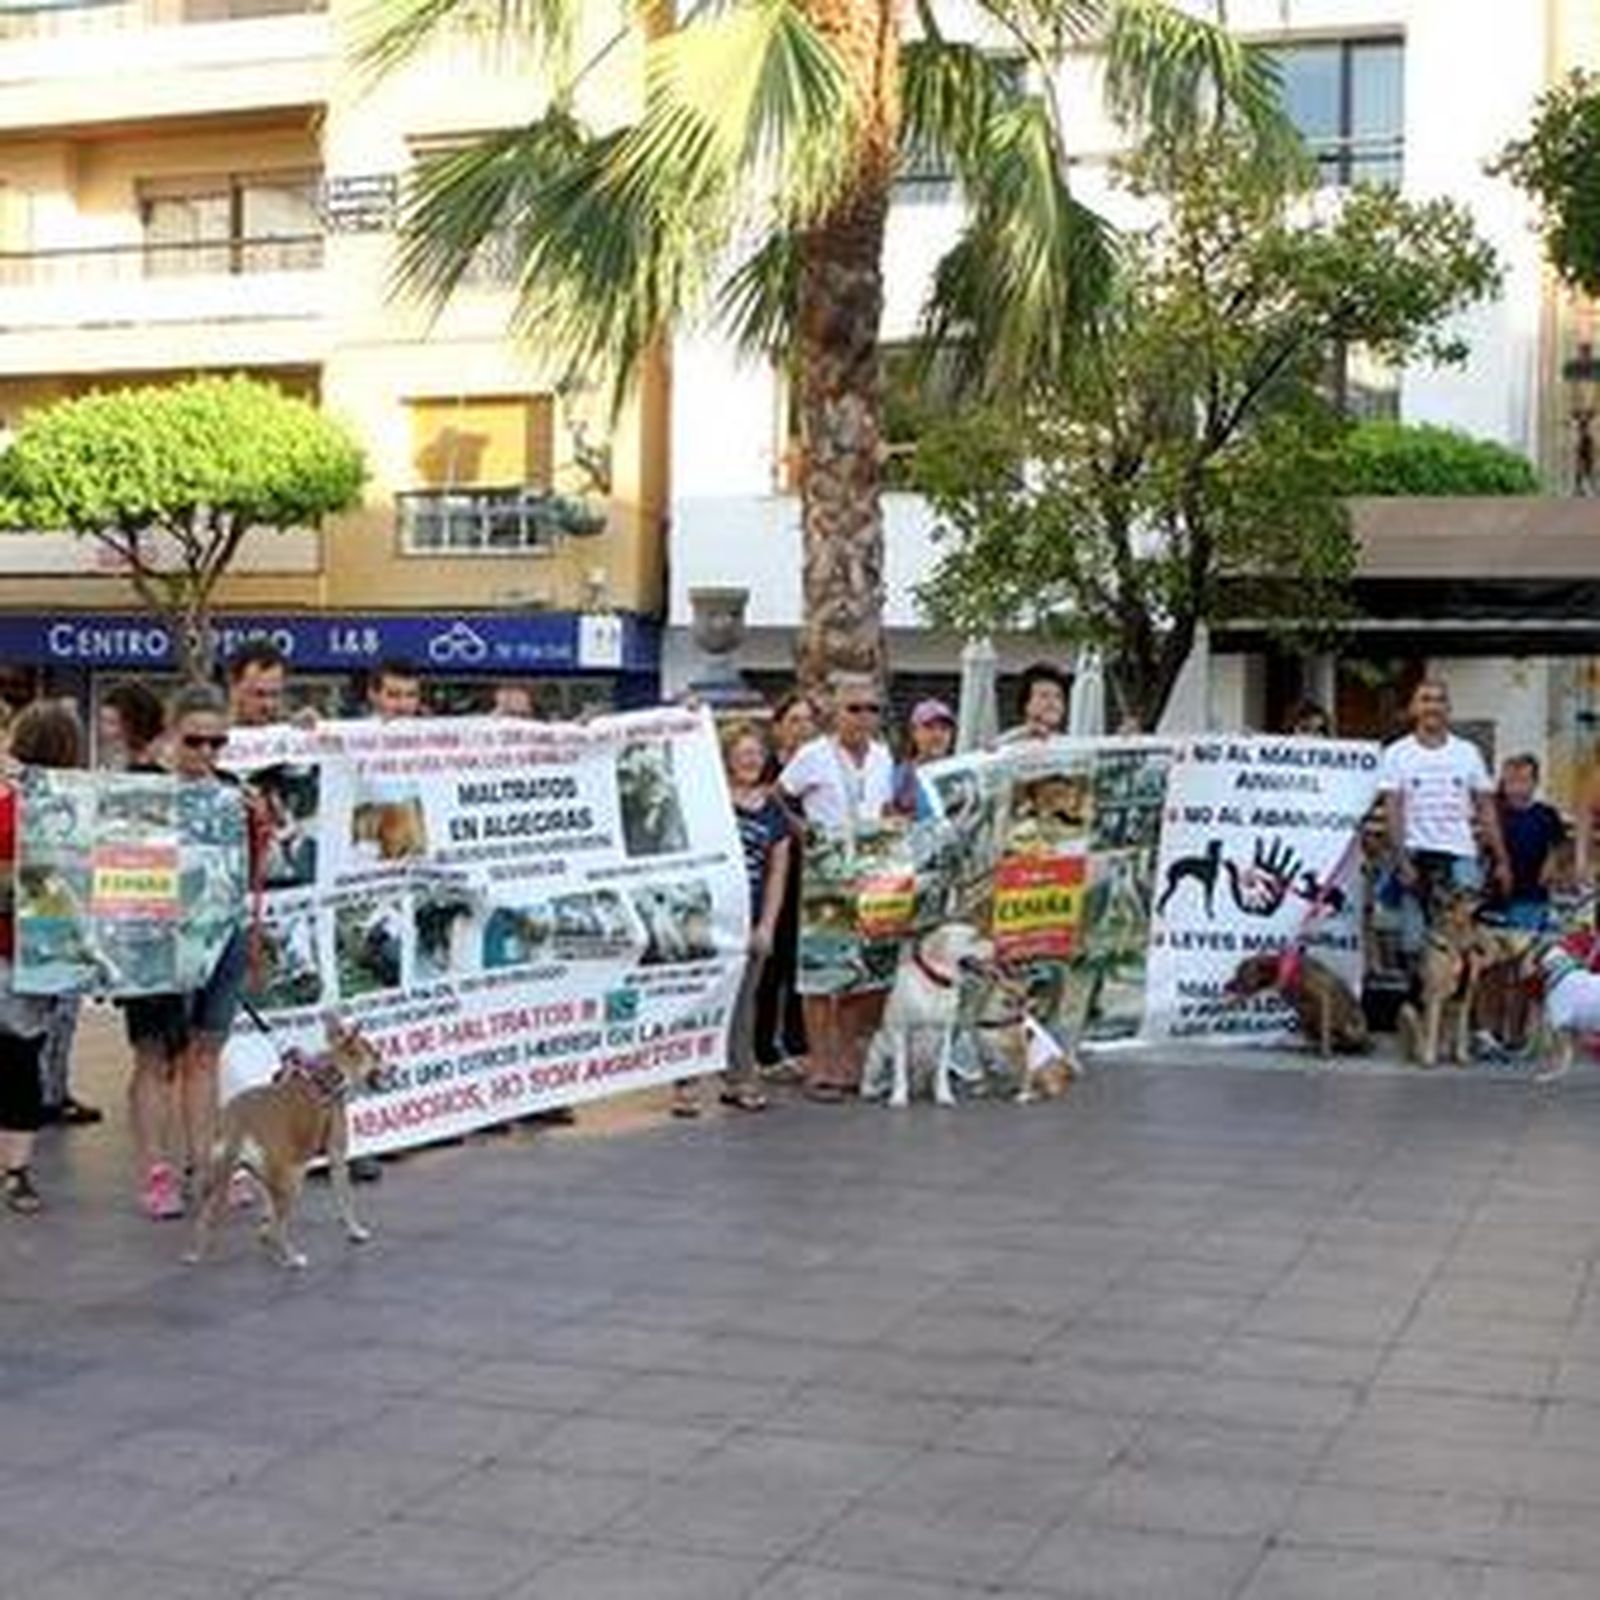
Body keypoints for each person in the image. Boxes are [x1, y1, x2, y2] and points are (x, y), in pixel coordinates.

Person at [123, 686, 253, 1219]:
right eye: (195, 741)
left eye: (217, 743)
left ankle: (205, 1165)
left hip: (222, 936)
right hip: (151, 939)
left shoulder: (231, 790)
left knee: (204, 1053)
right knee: (155, 1055)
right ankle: (156, 1170)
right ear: (170, 737)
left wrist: (255, 817)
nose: (206, 754)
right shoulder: (135, 788)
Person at [779, 672, 896, 1101]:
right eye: (854, 708)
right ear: (835, 712)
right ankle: (821, 1065)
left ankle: (846, 1061)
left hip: (873, 875)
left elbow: (885, 805)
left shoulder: (884, 756)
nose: (864, 717)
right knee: (820, 974)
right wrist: (803, 831)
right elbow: (779, 795)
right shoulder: (813, 754)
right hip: (825, 876)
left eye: (872, 709)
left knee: (859, 975)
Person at [674, 724, 788, 1117]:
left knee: (743, 1004)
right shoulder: (707, 799)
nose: (750, 760)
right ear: (726, 758)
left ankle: (739, 1077)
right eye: (742, 753)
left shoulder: (775, 810)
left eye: (756, 753)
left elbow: (778, 873)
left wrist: (767, 926)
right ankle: (685, 1081)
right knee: (695, 997)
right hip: (706, 917)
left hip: (750, 919)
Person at [1, 701, 86, 1214]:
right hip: (42, 950)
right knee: (22, 1060)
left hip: (17, 946)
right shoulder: (73, 808)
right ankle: (17, 1172)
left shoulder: (11, 801)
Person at [1379, 679, 1510, 969]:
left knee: (1465, 942)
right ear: (1414, 708)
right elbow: (1393, 810)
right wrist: (1402, 861)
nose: (1432, 706)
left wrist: (1501, 859)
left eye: (1439, 700)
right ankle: (1419, 1007)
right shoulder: (1397, 753)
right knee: (1414, 942)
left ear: (1448, 708)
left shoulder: (1468, 752)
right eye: (1425, 699)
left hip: (1460, 855)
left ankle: (1460, 1009)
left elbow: (1485, 808)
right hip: (1415, 853)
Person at [754, 692, 818, 1082]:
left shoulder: (822, 764)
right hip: (771, 877)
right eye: (793, 720)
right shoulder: (766, 769)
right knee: (770, 966)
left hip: (812, 879)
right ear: (778, 727)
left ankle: (797, 1044)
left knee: (801, 964)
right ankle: (762, 1049)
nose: (802, 728)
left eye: (808, 720)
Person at [891, 698, 955, 816]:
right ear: (914, 732)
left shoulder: (959, 775)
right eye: (929, 727)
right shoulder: (898, 777)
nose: (937, 735)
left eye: (944, 729)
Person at [998, 663, 1070, 745]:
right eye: (1044, 695)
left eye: (1058, 697)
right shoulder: (1008, 743)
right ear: (1026, 704)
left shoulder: (1071, 746)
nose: (1052, 702)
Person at [227, 639, 289, 728]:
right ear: (234, 687)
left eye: (274, 694)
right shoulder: (208, 738)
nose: (268, 705)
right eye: (259, 694)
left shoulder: (294, 735)